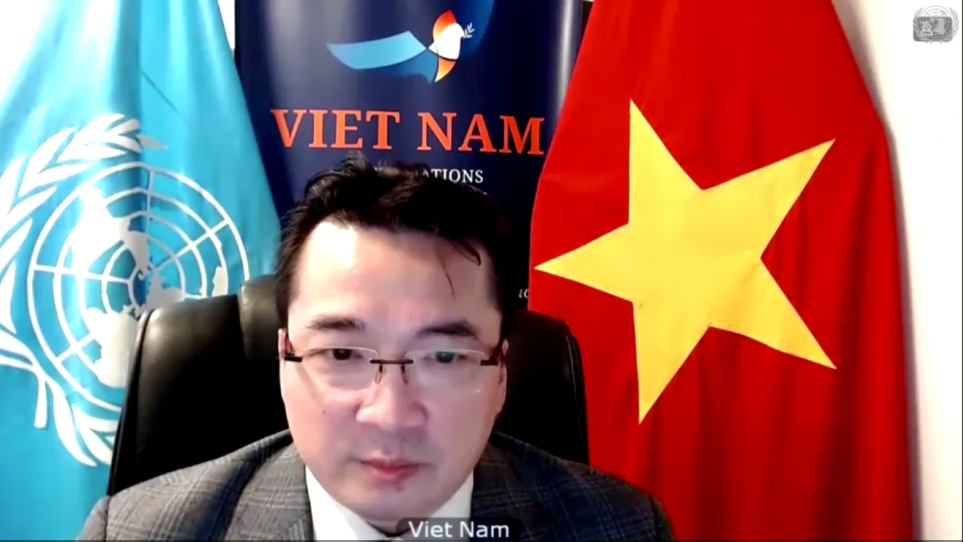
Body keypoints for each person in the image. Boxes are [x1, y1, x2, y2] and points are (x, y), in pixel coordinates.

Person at [76, 152, 674, 541]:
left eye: (444, 357)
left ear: (500, 377)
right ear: (284, 361)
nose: (390, 416)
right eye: (341, 354)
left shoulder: (621, 529)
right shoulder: (136, 532)